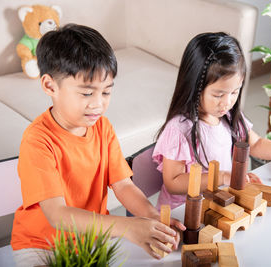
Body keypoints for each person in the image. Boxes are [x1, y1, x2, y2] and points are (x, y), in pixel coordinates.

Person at [10, 24, 185, 266]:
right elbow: (58, 215)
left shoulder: (103, 128)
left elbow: (123, 185)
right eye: (86, 93)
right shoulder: (37, 141)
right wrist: (128, 227)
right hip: (42, 246)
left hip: (93, 239)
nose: (98, 105)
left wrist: (153, 218)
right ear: (50, 86)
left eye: (106, 93)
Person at [152, 32, 271, 210]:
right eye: (218, 94)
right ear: (194, 87)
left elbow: (256, 144)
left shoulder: (228, 117)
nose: (228, 102)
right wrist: (222, 177)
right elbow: (173, 183)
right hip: (184, 214)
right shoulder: (179, 129)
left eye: (234, 92)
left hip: (219, 204)